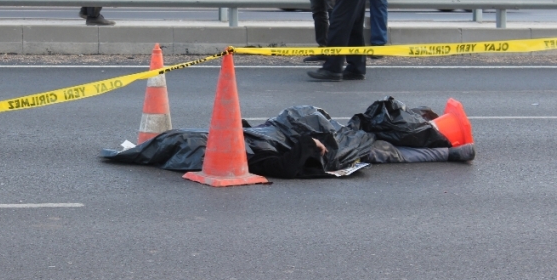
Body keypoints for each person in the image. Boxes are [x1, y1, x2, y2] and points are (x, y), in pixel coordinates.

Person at [102, 98, 475, 180]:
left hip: (302, 137)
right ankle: (450, 150)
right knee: (378, 149)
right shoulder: (198, 144)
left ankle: (449, 150)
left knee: (379, 149)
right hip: (303, 138)